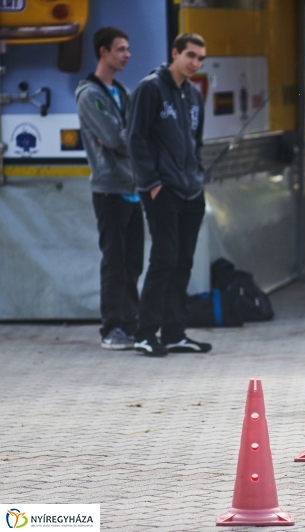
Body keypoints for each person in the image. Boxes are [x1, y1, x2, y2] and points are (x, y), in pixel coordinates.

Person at [126, 33, 211, 356]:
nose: (195, 63)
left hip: (191, 189)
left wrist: (198, 177)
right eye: (190, 55)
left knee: (183, 262)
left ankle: (175, 332)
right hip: (162, 190)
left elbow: (196, 141)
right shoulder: (150, 88)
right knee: (164, 258)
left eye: (201, 58)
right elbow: (135, 139)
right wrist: (152, 182)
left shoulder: (193, 94)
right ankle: (145, 333)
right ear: (174, 53)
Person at [76, 27, 143, 350]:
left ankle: (131, 323)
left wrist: (125, 136)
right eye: (121, 49)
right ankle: (111, 328)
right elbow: (117, 138)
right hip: (109, 189)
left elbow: (133, 134)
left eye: (127, 49)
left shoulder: (122, 91)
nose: (127, 55)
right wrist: (124, 136)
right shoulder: (90, 95)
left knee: (134, 262)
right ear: (103, 52)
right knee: (115, 261)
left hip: (133, 187)